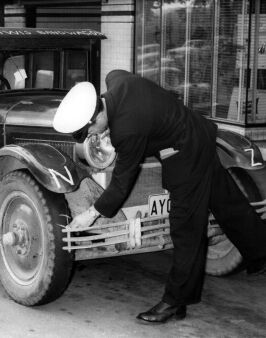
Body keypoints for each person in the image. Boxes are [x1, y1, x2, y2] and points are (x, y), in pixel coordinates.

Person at [52, 70, 266, 324]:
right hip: (199, 133)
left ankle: (176, 302)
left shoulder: (127, 131)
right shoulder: (116, 81)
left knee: (186, 228)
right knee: (226, 202)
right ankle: (261, 252)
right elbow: (124, 84)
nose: (93, 136)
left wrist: (90, 214)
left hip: (186, 151)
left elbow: (121, 183)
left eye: (91, 131)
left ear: (97, 114)